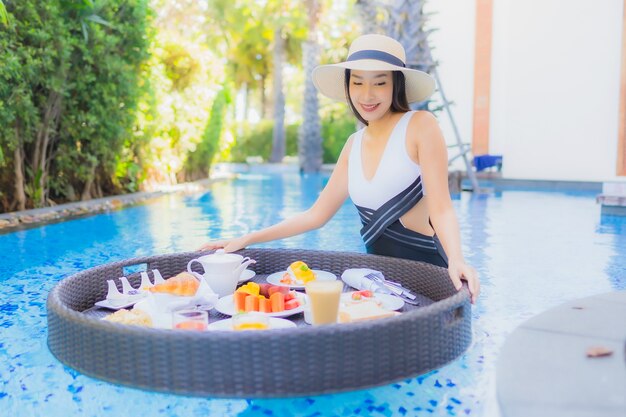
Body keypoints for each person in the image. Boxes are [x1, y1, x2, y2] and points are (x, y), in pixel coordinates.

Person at [200, 34, 480, 303]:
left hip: (429, 276)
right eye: (357, 83)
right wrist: (247, 238)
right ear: (347, 86)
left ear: (396, 85)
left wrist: (457, 259)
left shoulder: (420, 125)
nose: (367, 95)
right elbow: (315, 216)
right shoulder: (353, 144)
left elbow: (442, 207)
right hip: (380, 283)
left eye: (379, 83)